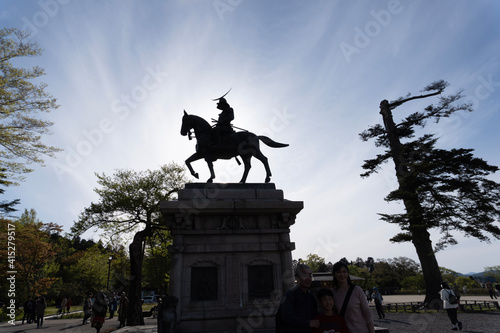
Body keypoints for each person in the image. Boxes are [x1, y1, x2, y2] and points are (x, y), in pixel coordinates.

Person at [332, 261, 375, 333]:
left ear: (348, 273)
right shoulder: (332, 293)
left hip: (360, 330)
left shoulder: (357, 290)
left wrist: (372, 331)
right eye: (339, 272)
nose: (342, 274)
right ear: (334, 274)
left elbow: (367, 313)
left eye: (344, 271)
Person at [281, 264, 319, 332]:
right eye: (304, 275)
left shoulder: (311, 296)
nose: (308, 278)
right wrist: (307, 323)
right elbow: (287, 317)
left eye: (310, 275)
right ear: (296, 278)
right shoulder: (290, 295)